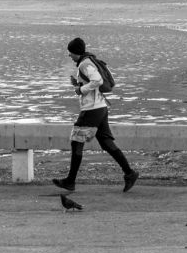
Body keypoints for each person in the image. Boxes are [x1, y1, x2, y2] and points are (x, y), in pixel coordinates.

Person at [52, 36, 139, 193]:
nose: (69, 55)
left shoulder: (85, 64)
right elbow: (93, 82)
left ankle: (70, 181)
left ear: (76, 52)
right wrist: (79, 84)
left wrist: (80, 89)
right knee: (106, 143)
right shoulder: (88, 61)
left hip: (92, 110)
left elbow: (97, 81)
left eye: (70, 52)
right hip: (100, 108)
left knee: (76, 142)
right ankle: (130, 173)